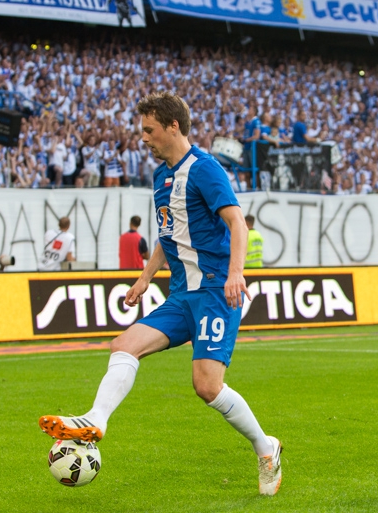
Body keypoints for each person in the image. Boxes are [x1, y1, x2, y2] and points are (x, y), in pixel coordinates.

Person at [39, 92, 282, 496]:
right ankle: (95, 419)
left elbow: (237, 222)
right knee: (124, 343)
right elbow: (168, 232)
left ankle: (266, 447)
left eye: (149, 130)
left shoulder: (205, 169)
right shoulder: (160, 176)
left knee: (206, 386)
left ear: (173, 126)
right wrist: (146, 276)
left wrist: (236, 273)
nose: (144, 138)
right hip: (181, 295)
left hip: (215, 292)